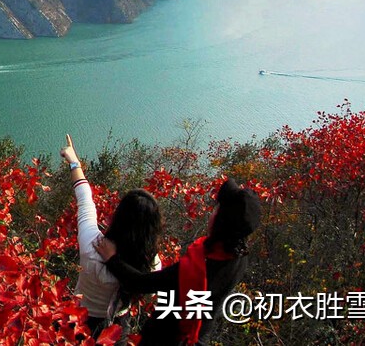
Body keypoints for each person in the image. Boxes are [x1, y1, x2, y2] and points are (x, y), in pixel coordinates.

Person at [95, 177, 262, 345]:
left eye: (216, 209)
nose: (212, 211)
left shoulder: (194, 270)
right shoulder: (239, 256)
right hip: (199, 336)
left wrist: (112, 258)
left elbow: (139, 283)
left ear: (221, 221)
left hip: (164, 339)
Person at [60, 134, 162, 339]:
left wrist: (74, 162)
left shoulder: (93, 245)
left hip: (77, 319)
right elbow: (150, 292)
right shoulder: (149, 263)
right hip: (116, 329)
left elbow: (85, 199)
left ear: (119, 216)